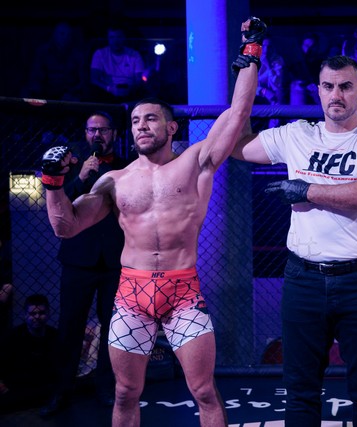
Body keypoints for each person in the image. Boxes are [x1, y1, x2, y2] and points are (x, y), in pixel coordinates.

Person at [41, 17, 263, 427]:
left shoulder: (196, 161)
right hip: (131, 293)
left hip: (183, 292)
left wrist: (251, 50)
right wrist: (53, 183)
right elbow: (65, 226)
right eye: (135, 121)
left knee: (204, 390)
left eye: (151, 119)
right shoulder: (115, 180)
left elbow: (238, 113)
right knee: (126, 392)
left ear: (171, 126)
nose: (141, 126)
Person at [232, 55, 357, 427]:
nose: (336, 95)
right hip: (303, 280)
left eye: (345, 86)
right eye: (328, 86)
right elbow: (237, 145)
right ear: (318, 91)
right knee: (300, 391)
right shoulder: (297, 134)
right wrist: (248, 72)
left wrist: (307, 190)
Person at [40, 110, 129, 416]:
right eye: (92, 130)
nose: (97, 135)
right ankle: (62, 392)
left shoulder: (126, 166)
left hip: (114, 261)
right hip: (78, 260)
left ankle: (105, 387)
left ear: (114, 134)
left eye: (103, 130)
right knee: (70, 327)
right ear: (85, 134)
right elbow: (58, 204)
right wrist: (80, 178)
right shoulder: (70, 167)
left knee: (112, 328)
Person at [0, 294, 58, 414]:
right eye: (32, 313)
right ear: (25, 315)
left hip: (44, 386)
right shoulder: (13, 337)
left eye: (41, 313)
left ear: (48, 314)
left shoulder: (54, 336)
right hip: (17, 387)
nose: (37, 316)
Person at [22, 21, 89, 101]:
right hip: (46, 92)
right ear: (54, 35)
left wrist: (72, 92)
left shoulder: (77, 54)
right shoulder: (43, 52)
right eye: (61, 34)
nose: (64, 37)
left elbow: (82, 79)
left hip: (69, 94)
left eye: (68, 35)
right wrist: (36, 91)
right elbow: (36, 75)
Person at [89, 24, 146, 103]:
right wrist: (109, 88)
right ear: (108, 39)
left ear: (124, 37)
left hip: (130, 93)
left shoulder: (134, 54)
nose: (115, 41)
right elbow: (94, 78)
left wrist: (130, 89)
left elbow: (140, 78)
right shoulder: (100, 53)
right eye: (112, 37)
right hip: (105, 93)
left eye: (119, 37)